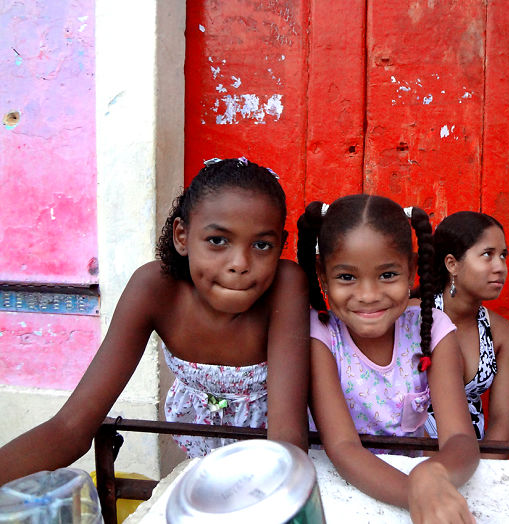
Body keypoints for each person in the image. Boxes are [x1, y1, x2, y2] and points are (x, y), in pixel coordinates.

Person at [0, 157, 309, 484]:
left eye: (262, 245)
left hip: (279, 471)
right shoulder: (155, 289)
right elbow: (70, 428)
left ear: (280, 247)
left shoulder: (285, 286)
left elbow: (286, 437)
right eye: (218, 241)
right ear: (182, 236)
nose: (240, 263)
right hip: (206, 469)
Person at [297, 195, 479, 524]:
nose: (368, 295)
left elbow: (460, 440)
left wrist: (433, 474)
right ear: (323, 277)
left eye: (387, 275)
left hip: (421, 484)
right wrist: (417, 492)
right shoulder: (321, 336)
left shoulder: (434, 331)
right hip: (341, 494)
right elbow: (343, 448)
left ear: (411, 271)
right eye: (347, 277)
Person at [425, 211, 509, 458]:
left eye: (503, 255)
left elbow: (502, 422)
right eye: (487, 255)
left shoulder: (503, 335)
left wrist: (482, 476)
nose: (500, 267)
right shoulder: (413, 318)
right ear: (452, 264)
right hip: (410, 458)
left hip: (475, 460)